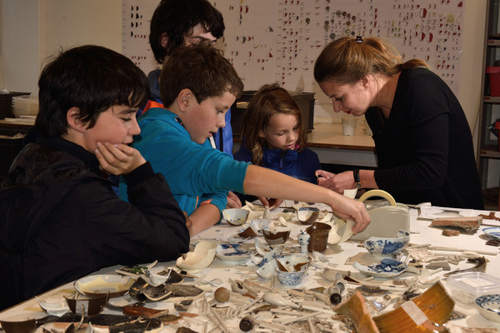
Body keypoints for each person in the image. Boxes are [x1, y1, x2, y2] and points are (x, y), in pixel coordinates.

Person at [0, 45, 190, 310]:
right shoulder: (79, 194)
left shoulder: (34, 154)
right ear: (77, 118)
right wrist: (140, 174)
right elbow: (173, 239)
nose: (136, 129)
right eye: (126, 117)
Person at [119, 44, 370, 236]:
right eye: (218, 110)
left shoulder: (195, 136)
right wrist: (332, 198)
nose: (221, 123)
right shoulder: (159, 137)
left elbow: (217, 195)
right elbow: (239, 175)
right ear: (185, 100)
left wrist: (187, 229)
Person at [313, 36, 483, 209]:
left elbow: (430, 172)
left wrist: (357, 177)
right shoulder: (374, 109)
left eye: (339, 98)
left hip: (456, 212)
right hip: (415, 211)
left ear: (365, 81)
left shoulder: (422, 89)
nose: (336, 107)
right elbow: (396, 175)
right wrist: (351, 187)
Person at [145, 0, 241, 208]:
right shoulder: (141, 107)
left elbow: (221, 163)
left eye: (212, 45)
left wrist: (229, 188)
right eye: (198, 43)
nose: (206, 54)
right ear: (166, 41)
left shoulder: (214, 99)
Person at [234, 84, 320, 206]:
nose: (292, 138)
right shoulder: (243, 161)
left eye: (295, 128)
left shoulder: (309, 159)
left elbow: (315, 201)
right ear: (261, 131)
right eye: (281, 133)